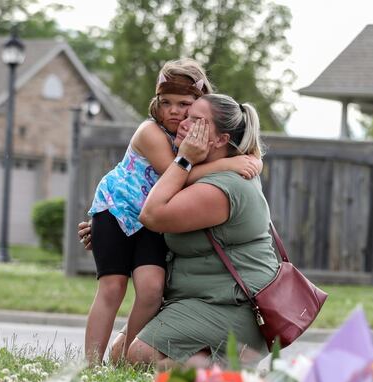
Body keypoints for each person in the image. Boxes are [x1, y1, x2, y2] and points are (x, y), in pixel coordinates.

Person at [84, 60, 262, 366]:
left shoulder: (202, 137)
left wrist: (250, 161)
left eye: (186, 106)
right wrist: (226, 165)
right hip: (116, 211)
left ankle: (130, 360)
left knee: (151, 290)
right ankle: (89, 364)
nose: (175, 112)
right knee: (112, 288)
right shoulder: (150, 132)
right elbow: (175, 174)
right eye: (165, 103)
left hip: (151, 223)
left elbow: (245, 147)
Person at [120, 93, 278, 369]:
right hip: (197, 300)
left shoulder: (221, 187)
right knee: (118, 351)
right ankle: (216, 365)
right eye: (186, 115)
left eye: (196, 120)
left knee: (138, 355)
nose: (182, 122)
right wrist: (103, 225)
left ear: (220, 140)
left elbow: (152, 214)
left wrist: (183, 160)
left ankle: (227, 372)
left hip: (236, 308)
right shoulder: (204, 174)